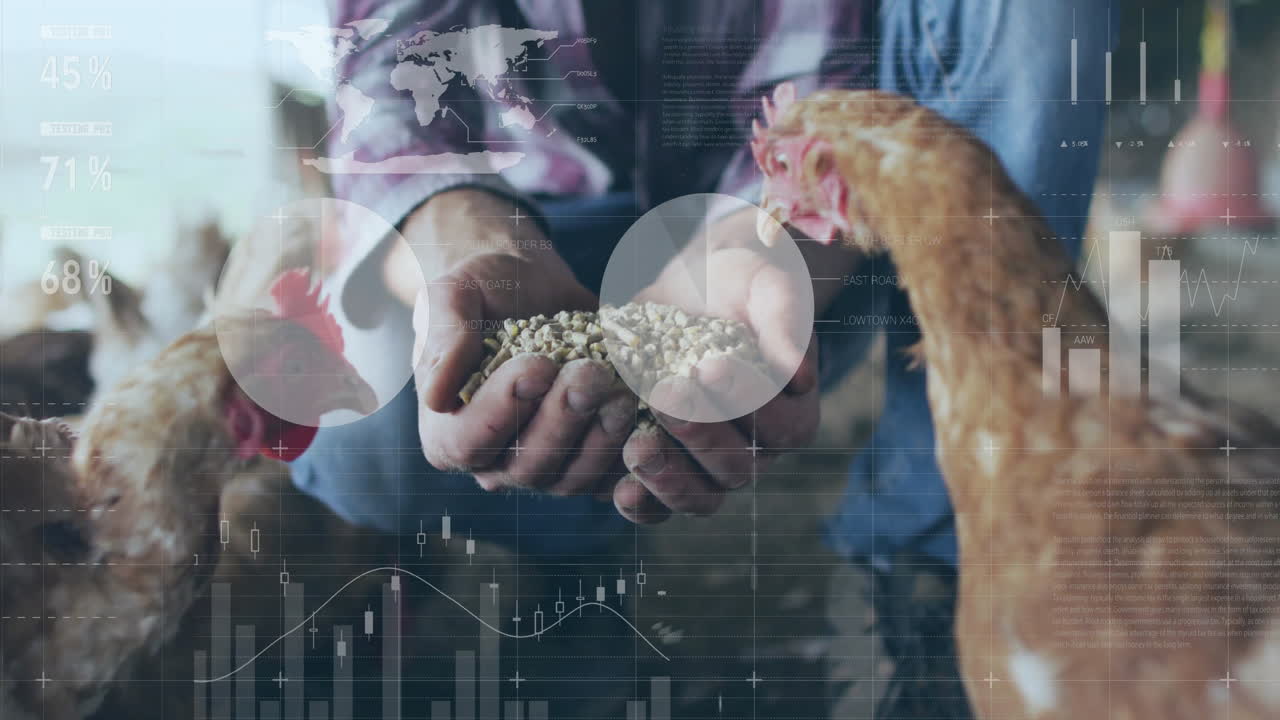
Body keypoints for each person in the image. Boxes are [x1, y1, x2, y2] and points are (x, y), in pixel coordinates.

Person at [290, 0, 1109, 712]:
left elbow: (824, 66)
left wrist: (766, 248)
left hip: (795, 230)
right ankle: (571, 547)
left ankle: (937, 555)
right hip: (539, 212)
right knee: (369, 420)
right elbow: (386, 59)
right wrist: (465, 236)